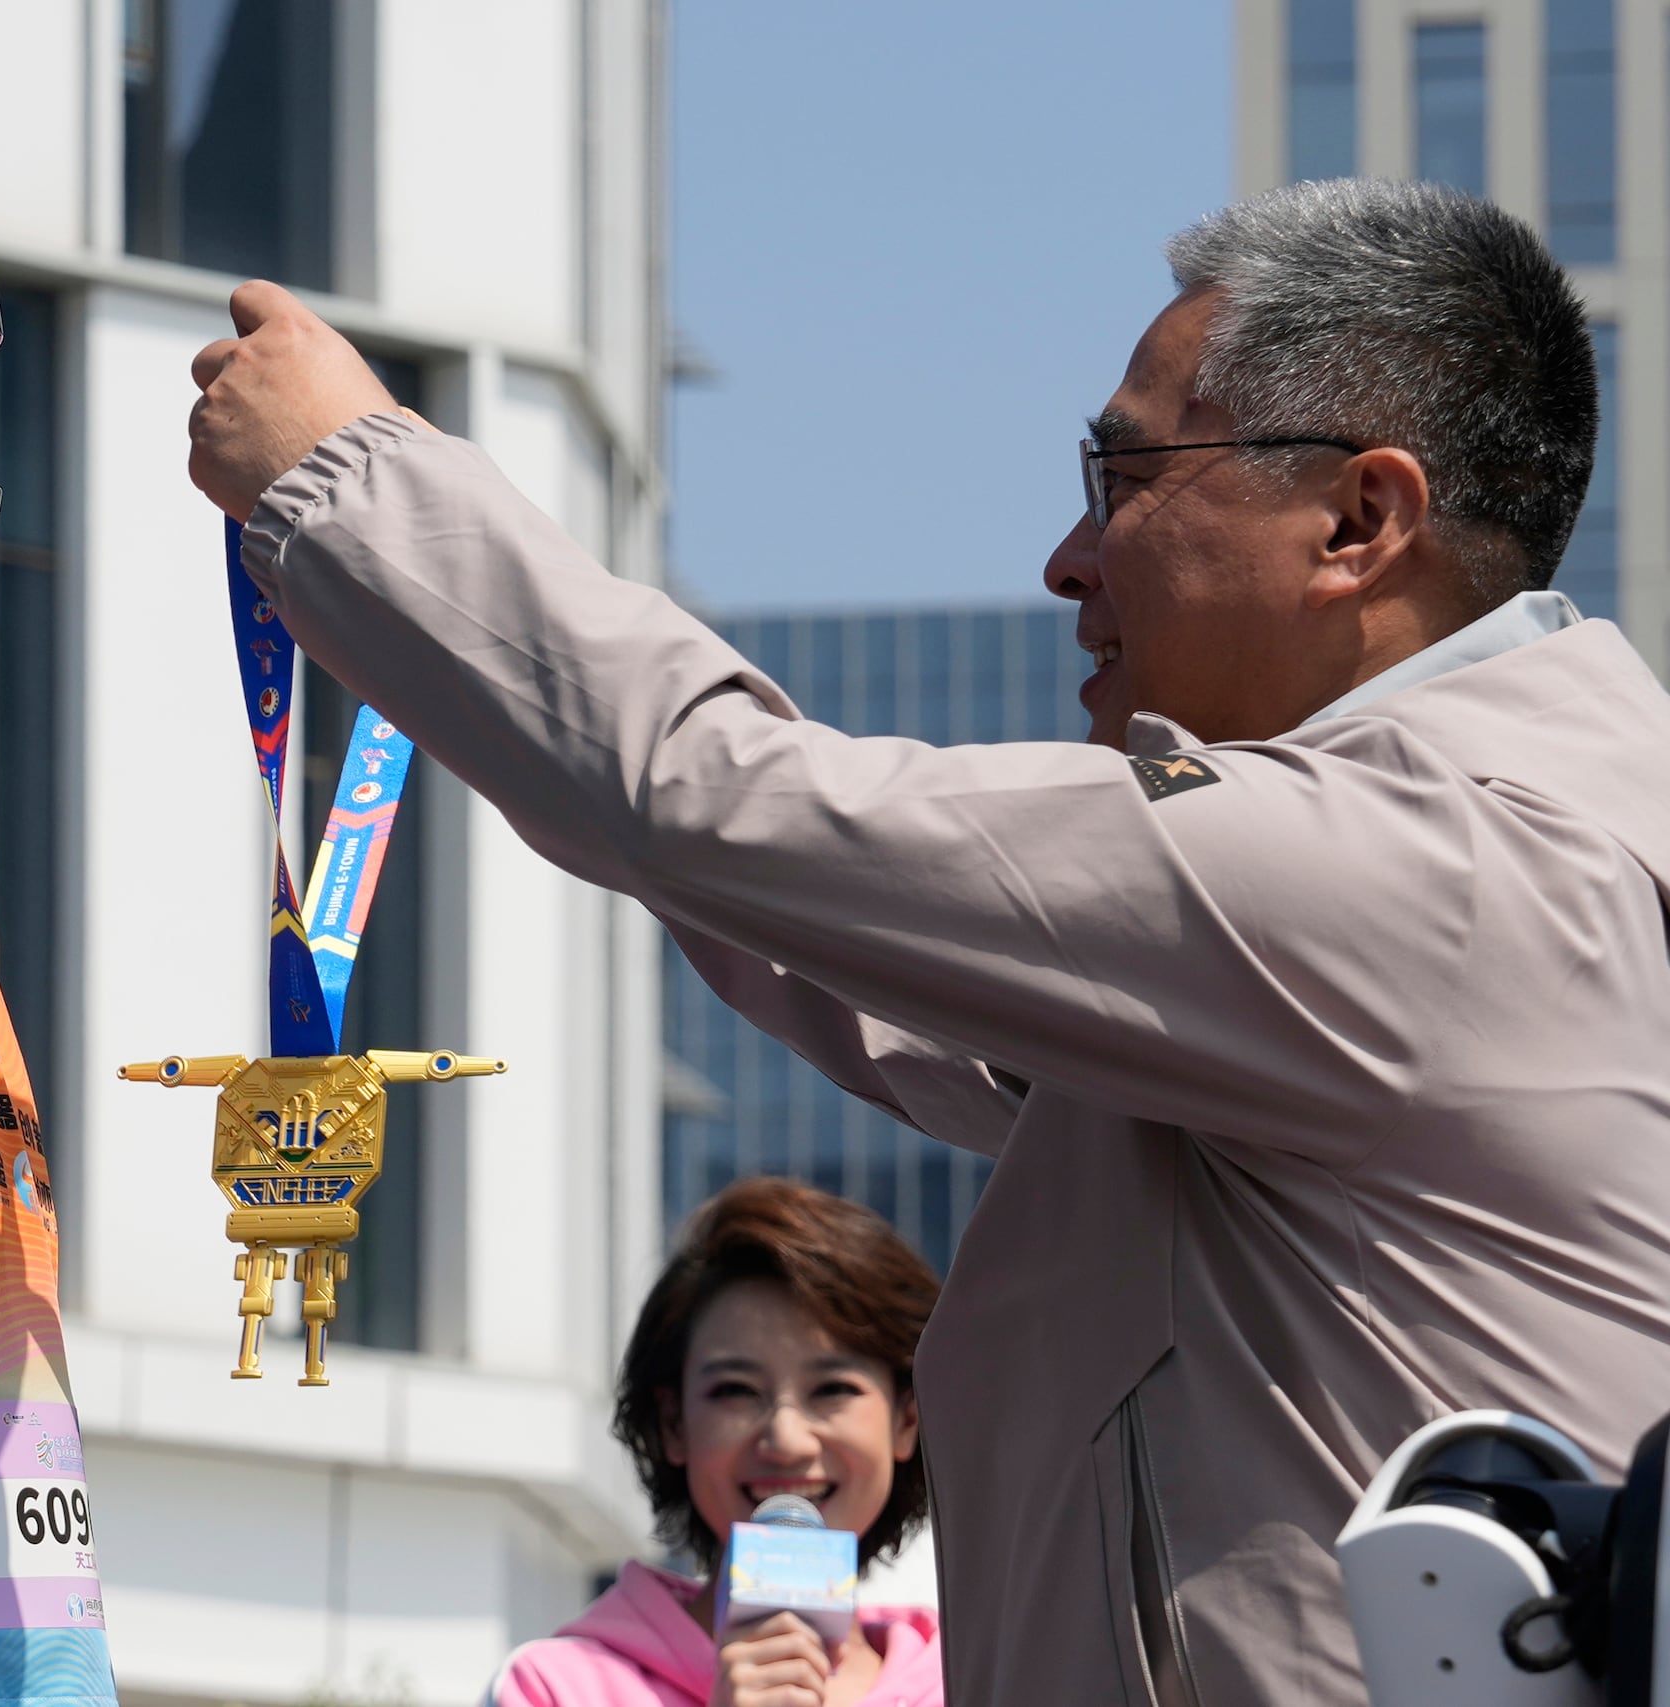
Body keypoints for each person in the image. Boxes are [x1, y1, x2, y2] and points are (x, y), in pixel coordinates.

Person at [186, 176, 1670, 1707]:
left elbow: (741, 808)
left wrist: (346, 478)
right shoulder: (1507, 853)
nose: (1068, 558)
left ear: (1360, 519)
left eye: (1122, 474)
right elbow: (843, 930)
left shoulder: (1434, 870)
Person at [491, 1178, 942, 1707]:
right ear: (674, 1423)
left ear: (906, 1419)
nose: (787, 1440)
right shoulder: (553, 1688)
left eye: (833, 1389)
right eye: (736, 1391)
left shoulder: (979, 1677)